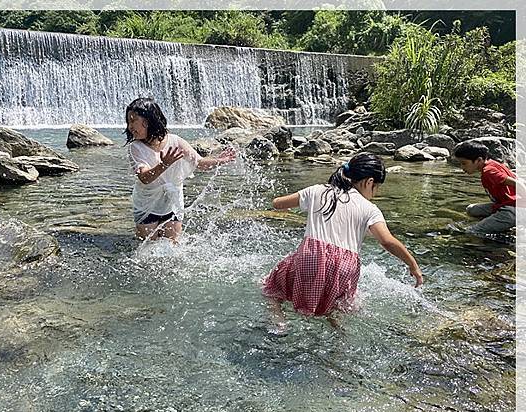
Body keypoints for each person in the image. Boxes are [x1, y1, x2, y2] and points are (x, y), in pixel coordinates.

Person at [262, 152, 423, 324]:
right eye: (377, 188)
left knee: (273, 284)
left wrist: (287, 207)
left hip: (311, 259)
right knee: (338, 304)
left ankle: (278, 322)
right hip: (345, 268)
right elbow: (387, 241)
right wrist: (413, 265)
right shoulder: (370, 209)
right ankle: (338, 333)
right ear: (369, 182)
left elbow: (277, 203)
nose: (376, 193)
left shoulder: (318, 190)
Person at [125, 97, 235, 241]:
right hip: (147, 205)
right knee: (147, 249)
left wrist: (220, 161)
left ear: (148, 120)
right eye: (128, 122)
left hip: (172, 202)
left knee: (173, 246)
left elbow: (199, 163)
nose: (130, 127)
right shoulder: (135, 148)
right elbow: (145, 178)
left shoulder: (175, 141)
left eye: (133, 121)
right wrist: (164, 164)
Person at [453, 141, 519, 235]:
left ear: (479, 160)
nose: (462, 167)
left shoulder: (489, 171)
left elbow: (518, 183)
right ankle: (494, 223)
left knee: (472, 232)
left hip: (511, 211)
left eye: (464, 163)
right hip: (503, 205)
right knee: (471, 209)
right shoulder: (492, 164)